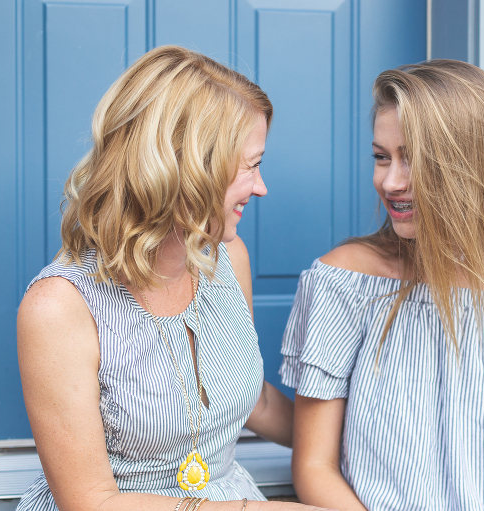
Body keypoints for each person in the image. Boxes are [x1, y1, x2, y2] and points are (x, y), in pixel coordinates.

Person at [281, 60, 484, 511]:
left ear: (475, 163)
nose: (389, 181)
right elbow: (315, 466)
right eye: (381, 156)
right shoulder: (344, 282)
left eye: (413, 157)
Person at [17, 45, 333, 511]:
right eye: (251, 165)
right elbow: (90, 502)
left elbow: (255, 401)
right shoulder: (59, 308)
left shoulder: (227, 258)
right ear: (184, 169)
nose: (261, 186)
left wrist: (347, 442)